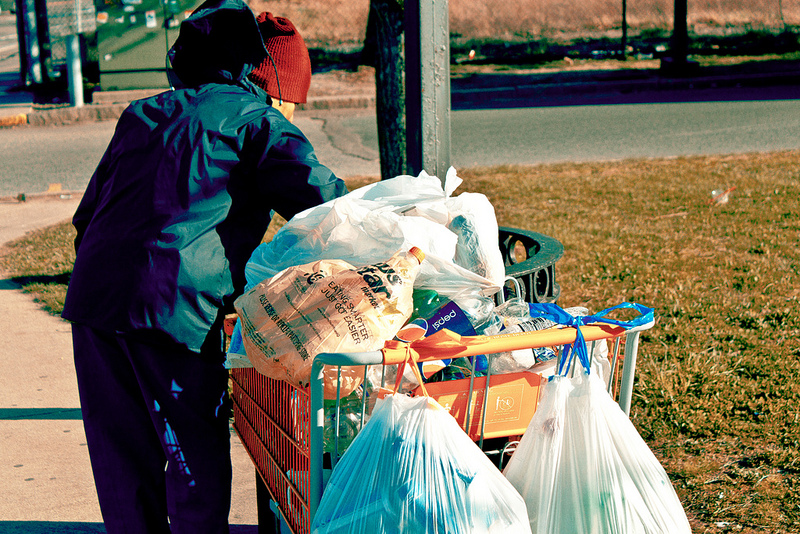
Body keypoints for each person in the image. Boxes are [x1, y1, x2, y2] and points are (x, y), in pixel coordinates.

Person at [61, 0, 347, 531]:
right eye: (295, 103)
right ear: (277, 88)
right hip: (174, 310)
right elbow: (329, 209)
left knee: (123, 460)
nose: (295, 115)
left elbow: (87, 217)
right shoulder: (258, 122)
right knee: (194, 462)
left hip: (95, 304)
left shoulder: (145, 112)